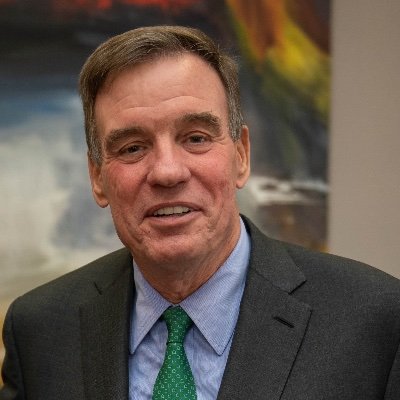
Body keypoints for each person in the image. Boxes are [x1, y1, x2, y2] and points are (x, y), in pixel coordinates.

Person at [1, 26, 399, 400]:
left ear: (241, 155)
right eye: (132, 148)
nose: (167, 172)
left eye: (195, 138)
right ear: (97, 177)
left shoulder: (376, 320)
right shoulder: (39, 332)